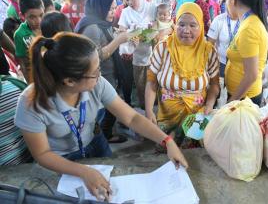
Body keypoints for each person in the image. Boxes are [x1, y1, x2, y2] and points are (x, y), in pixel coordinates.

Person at [14, 32, 188, 201]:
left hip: (95, 144)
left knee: (112, 192)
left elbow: (131, 118)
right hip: (60, 159)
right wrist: (84, 171)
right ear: (69, 81)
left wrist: (167, 141)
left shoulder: (97, 85)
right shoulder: (31, 103)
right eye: (95, 72)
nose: (100, 76)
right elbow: (42, 154)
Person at [145, 3, 220, 148]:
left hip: (197, 118)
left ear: (201, 27)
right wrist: (149, 111)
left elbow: (215, 85)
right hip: (167, 117)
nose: (186, 30)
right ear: (175, 23)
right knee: (165, 150)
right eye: (181, 24)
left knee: (191, 157)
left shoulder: (208, 51)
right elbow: (152, 82)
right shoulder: (163, 48)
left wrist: (209, 104)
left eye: (193, 25)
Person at [75, 0, 131, 143]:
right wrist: (119, 40)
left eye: (115, 7)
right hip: (101, 76)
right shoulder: (91, 27)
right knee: (107, 108)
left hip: (108, 74)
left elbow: (104, 38)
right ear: (100, 6)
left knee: (110, 106)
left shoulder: (98, 22)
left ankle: (107, 132)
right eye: (111, 8)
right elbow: (96, 56)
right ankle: (105, 136)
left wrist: (116, 33)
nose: (114, 11)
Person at [224, 0, 268, 106]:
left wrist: (231, 102)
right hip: (242, 96)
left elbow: (251, 75)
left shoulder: (249, 28)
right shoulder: (249, 22)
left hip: (244, 99)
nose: (225, 3)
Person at [119, 0, 156, 109]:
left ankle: (155, 107)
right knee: (140, 85)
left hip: (154, 56)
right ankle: (144, 109)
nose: (129, 2)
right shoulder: (125, 12)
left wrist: (144, 33)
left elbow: (160, 27)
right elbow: (121, 32)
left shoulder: (151, 8)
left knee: (154, 83)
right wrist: (133, 34)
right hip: (137, 57)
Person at [14, 0, 44, 83]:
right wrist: (31, 84)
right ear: (22, 16)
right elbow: (23, 63)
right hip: (38, 77)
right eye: (32, 17)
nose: (38, 21)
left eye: (41, 15)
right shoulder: (20, 34)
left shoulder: (48, 24)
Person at [207, 9, 239, 78]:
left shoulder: (246, 21)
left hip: (239, 66)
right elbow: (209, 45)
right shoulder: (219, 19)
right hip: (221, 64)